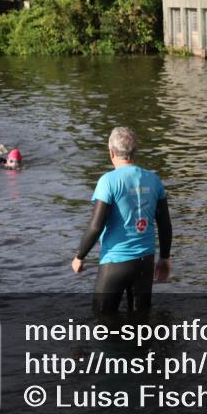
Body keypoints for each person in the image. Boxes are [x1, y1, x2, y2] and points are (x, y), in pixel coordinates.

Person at [71, 127, 172, 317]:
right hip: (145, 262)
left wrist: (80, 256)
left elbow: (96, 226)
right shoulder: (154, 180)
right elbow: (165, 224)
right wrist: (165, 258)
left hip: (115, 263)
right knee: (141, 321)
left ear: (111, 152)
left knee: (103, 320)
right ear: (135, 152)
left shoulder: (108, 181)